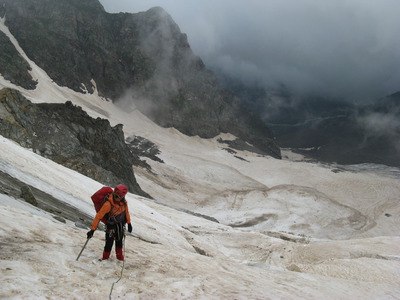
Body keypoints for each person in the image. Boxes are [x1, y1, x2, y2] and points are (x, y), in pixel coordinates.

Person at [87, 184, 133, 261]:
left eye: (120, 197)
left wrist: (129, 223)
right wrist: (92, 229)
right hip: (111, 226)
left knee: (119, 243)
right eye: (117, 196)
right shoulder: (108, 204)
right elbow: (98, 216)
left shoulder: (123, 202)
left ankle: (120, 259)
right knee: (109, 244)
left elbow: (126, 212)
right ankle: (105, 259)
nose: (118, 199)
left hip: (120, 226)